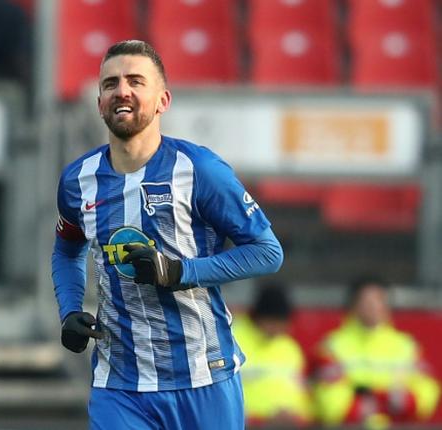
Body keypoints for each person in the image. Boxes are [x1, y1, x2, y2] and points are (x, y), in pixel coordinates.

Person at [51, 40, 284, 430]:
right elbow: (66, 250)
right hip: (120, 383)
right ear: (99, 103)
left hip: (203, 376)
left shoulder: (200, 170)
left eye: (135, 81)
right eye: (110, 84)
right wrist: (70, 310)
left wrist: (179, 271)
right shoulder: (78, 180)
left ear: (163, 100)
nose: (121, 90)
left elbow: (266, 251)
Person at [312, 276, 440, 428]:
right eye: (366, 302)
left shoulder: (407, 346)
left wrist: (367, 399)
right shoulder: (331, 347)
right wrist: (390, 402)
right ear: (354, 305)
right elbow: (333, 407)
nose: (373, 307)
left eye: (378, 300)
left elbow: (427, 394)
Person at [233, 283, 312, 426]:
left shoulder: (290, 348)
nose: (279, 328)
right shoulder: (232, 340)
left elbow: (303, 395)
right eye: (274, 322)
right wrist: (259, 420)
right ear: (259, 317)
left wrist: (298, 416)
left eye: (283, 323)